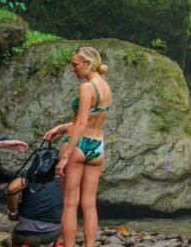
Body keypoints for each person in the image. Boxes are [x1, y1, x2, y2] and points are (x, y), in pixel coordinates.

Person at [43, 46, 111, 247]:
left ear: (88, 64)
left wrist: (64, 156)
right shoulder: (105, 86)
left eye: (75, 65)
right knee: (89, 205)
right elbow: (89, 120)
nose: (72, 69)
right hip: (97, 146)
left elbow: (81, 124)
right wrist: (61, 127)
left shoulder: (86, 87)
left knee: (69, 204)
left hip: (78, 146)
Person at [6, 172, 62, 246]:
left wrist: (12, 212)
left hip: (23, 235)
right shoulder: (66, 175)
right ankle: (60, 242)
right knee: (68, 212)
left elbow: (12, 188)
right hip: (51, 235)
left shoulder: (30, 171)